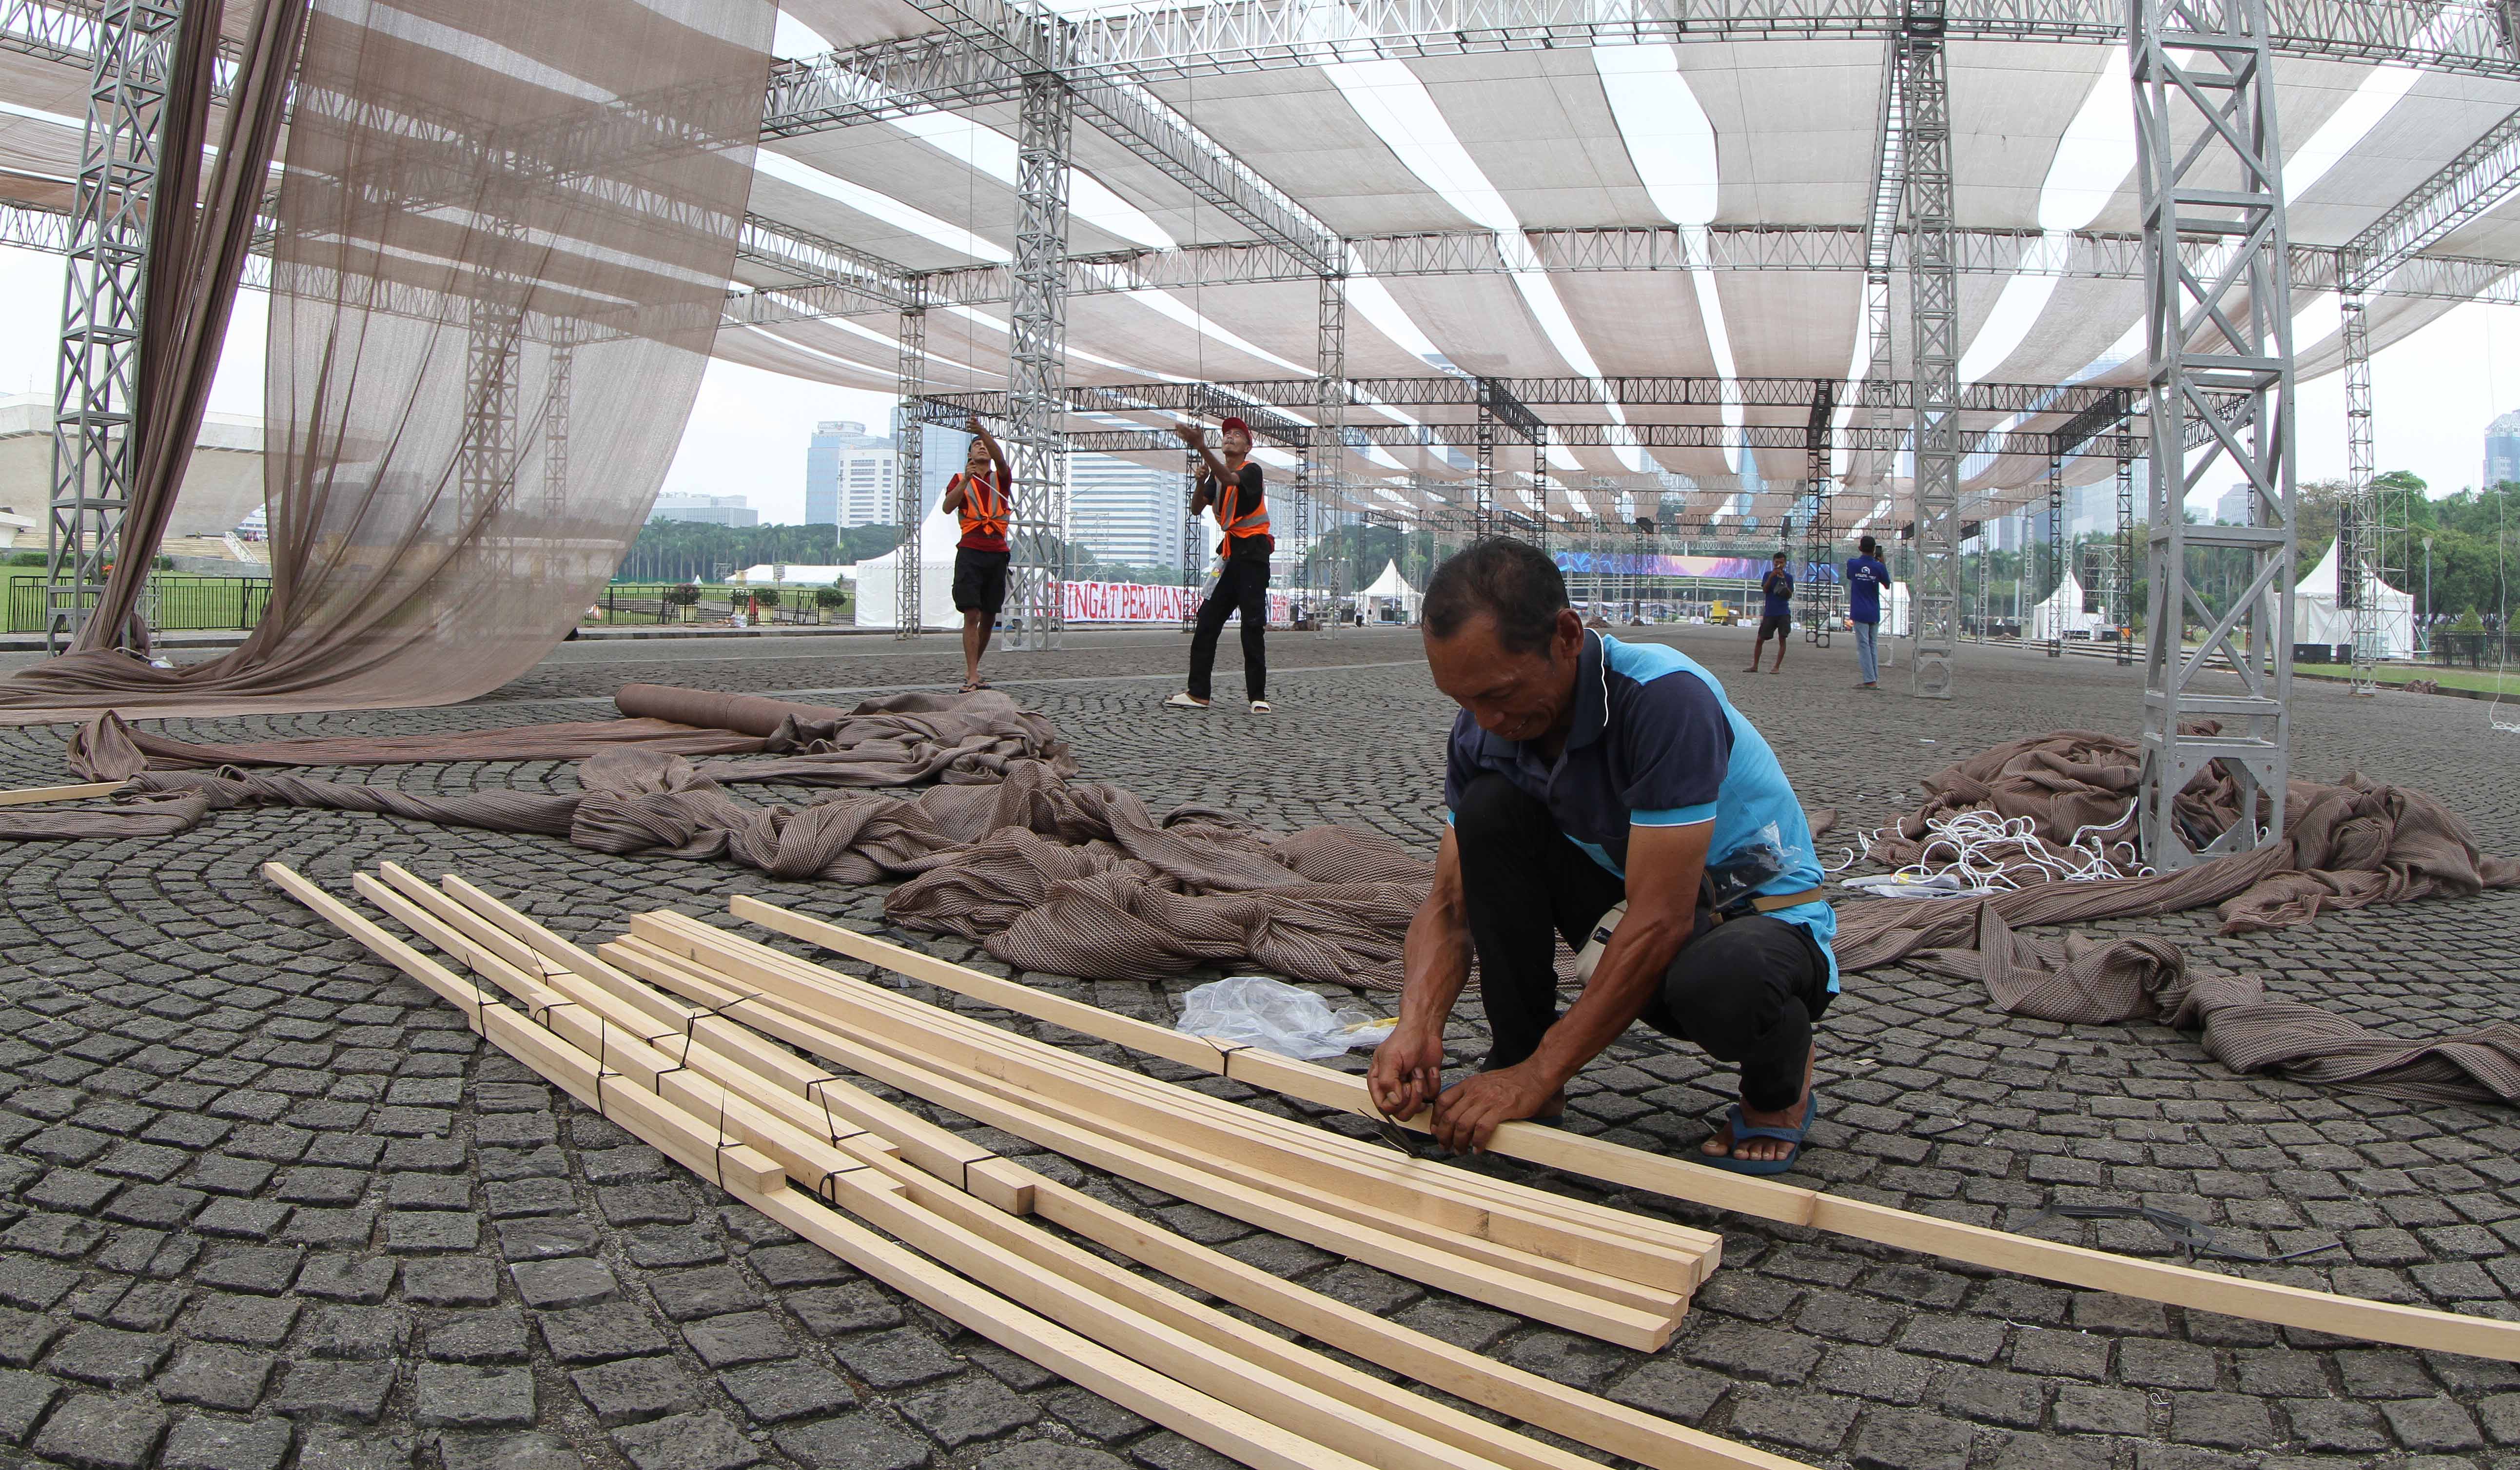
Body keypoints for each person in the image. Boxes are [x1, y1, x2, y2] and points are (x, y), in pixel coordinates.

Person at [1369, 538, 1836, 1173]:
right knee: (1488, 811)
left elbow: (1659, 921)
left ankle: (1780, 1083)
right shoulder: (1483, 728)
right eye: (1463, 700)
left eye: (1499, 692)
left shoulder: (1665, 700)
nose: (1484, 718)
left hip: (1760, 916)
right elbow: (1450, 904)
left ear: (1566, 635)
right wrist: (1415, 1021)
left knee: (1721, 982)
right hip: (1639, 901)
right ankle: (1520, 1058)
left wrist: (1538, 1071)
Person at [1165, 416, 1275, 712]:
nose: (1230, 438)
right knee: (1207, 621)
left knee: (1252, 627)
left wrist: (1201, 447)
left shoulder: (1252, 471)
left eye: (1237, 435)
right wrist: (1201, 481)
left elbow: (1230, 480)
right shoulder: (1216, 475)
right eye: (1226, 434)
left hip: (1252, 558)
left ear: (1248, 446)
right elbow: (1196, 507)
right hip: (1228, 558)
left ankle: (1258, 697)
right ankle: (1198, 692)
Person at [939, 415, 1013, 693]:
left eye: (986, 445)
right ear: (969, 453)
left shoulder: (1000, 478)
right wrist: (965, 481)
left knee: (990, 614)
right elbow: (948, 507)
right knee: (971, 613)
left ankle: (974, 670)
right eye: (977, 445)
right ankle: (972, 674)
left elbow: (1002, 461)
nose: (982, 448)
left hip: (997, 551)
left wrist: (984, 431)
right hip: (971, 550)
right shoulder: (960, 479)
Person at [1845, 535, 1891, 689]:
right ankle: (1874, 677)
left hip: (1859, 610)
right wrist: (1882, 563)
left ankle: (1870, 680)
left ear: (1860, 548)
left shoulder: (1853, 564)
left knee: (1863, 645)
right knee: (1873, 645)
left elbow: (1849, 576)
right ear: (1874, 550)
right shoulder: (1879, 567)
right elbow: (1887, 584)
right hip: (1874, 611)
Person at [1745, 551, 1792, 674]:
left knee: (1782, 639)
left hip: (1783, 612)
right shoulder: (1767, 575)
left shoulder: (1789, 577)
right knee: (1760, 639)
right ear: (1773, 563)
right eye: (1777, 562)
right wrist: (1772, 577)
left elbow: (1789, 595)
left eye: (1781, 563)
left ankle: (1777, 667)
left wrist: (1783, 581)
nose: (1779, 565)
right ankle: (1755, 665)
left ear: (1785, 564)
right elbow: (1765, 590)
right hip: (1770, 612)